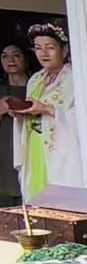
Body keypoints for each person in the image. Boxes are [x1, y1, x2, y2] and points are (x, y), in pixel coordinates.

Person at [6, 23, 82, 200]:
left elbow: (84, 115)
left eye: (50, 47)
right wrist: (19, 112)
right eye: (38, 48)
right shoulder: (35, 79)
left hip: (62, 146)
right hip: (35, 143)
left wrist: (47, 109)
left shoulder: (76, 77)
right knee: (35, 192)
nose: (43, 53)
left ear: (64, 50)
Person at [0, 44, 32, 206]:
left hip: (32, 157)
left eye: (16, 55)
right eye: (5, 56)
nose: (10, 60)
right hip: (5, 165)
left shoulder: (39, 87)